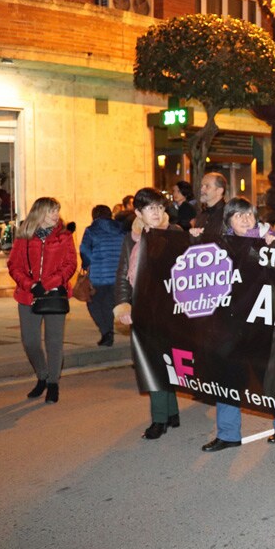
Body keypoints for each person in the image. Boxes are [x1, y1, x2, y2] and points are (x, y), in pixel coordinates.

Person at [202, 198, 275, 452]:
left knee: (269, 376)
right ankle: (228, 433)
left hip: (263, 323)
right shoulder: (219, 245)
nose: (245, 219)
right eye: (238, 215)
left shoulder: (269, 240)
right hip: (230, 324)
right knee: (227, 377)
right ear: (228, 221)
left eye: (249, 214)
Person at [115, 188, 182, 439]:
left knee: (167, 363)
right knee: (152, 363)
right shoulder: (131, 239)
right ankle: (164, 416)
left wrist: (197, 238)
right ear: (138, 212)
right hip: (143, 309)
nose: (157, 213)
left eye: (160, 207)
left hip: (171, 309)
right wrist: (123, 306)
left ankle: (164, 416)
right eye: (151, 208)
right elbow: (122, 276)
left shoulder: (175, 234)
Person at [7, 197, 77, 404]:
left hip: (55, 294)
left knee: (54, 342)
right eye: (51, 211)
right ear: (39, 213)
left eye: (57, 210)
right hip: (27, 295)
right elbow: (13, 265)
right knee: (30, 342)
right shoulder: (24, 236)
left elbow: (70, 264)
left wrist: (47, 284)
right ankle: (42, 375)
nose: (56, 215)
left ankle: (53, 383)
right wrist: (30, 285)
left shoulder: (64, 236)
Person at [79, 205, 124, 347]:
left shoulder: (92, 230)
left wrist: (86, 265)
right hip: (117, 274)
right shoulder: (121, 229)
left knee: (94, 304)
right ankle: (108, 333)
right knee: (109, 304)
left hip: (99, 275)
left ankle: (106, 332)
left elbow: (85, 250)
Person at [189, 172, 227, 239]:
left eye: (207, 186)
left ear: (219, 191)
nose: (201, 190)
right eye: (202, 186)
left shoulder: (228, 214)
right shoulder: (202, 214)